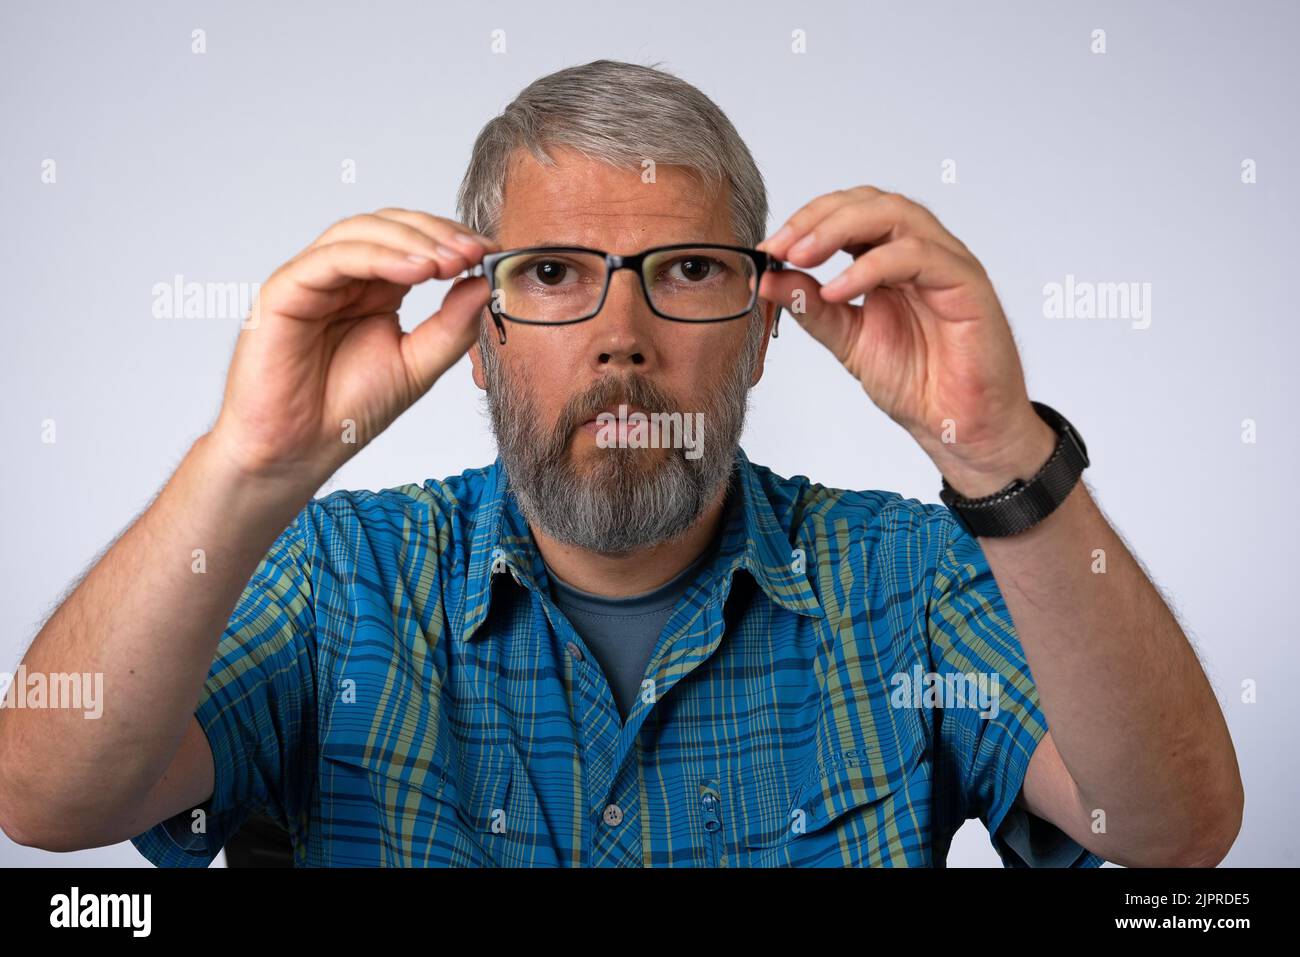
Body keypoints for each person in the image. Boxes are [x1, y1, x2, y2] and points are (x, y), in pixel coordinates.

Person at [0, 59, 1242, 868]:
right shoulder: (340, 580)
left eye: (688, 271)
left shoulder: (904, 578)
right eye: (551, 276)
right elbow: (46, 802)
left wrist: (999, 450)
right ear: (478, 340)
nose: (620, 339)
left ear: (762, 332)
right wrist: (248, 463)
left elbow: (1174, 836)